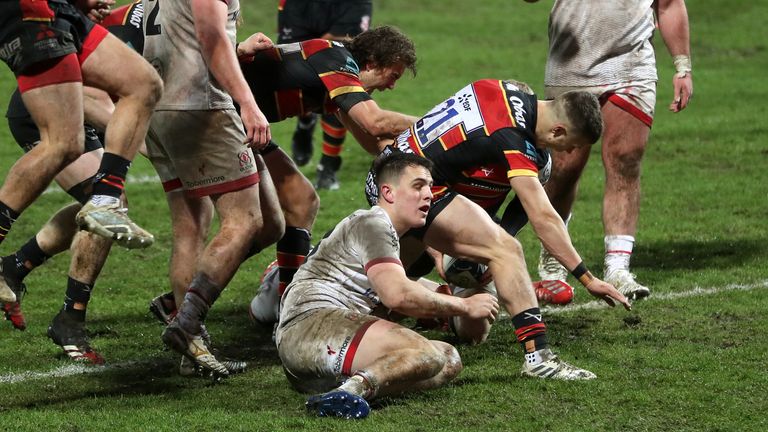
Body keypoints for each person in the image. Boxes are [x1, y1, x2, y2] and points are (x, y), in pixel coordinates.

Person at [153, 26, 418, 331]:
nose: (392, 86)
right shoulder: (337, 60)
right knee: (249, 221)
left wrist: (414, 161)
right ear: (371, 62)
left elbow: (374, 141)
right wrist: (435, 124)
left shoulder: (338, 67)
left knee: (291, 210)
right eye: (393, 75)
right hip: (215, 117)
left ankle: (202, 298)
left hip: (236, 121)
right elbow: (375, 122)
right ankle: (276, 311)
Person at [366, 79, 632, 363]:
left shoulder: (504, 93)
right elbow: (544, 218)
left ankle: (363, 323)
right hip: (412, 189)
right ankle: (538, 357)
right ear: (558, 130)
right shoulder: (514, 139)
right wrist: (587, 278)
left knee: (389, 298)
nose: (567, 152)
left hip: (394, 177)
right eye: (571, 145)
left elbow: (515, 211)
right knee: (506, 250)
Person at [276, 151, 499, 419]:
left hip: (315, 352)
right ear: (388, 193)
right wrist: (464, 305)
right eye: (418, 186)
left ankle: (343, 388)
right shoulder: (373, 223)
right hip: (310, 326)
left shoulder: (383, 231)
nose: (428, 194)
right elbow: (397, 295)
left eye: (430, 186)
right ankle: (350, 391)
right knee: (425, 353)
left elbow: (408, 290)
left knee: (448, 358)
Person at [0, 0, 162, 362]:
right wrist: (154, 148)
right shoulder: (138, 24)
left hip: (57, 11)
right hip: (34, 16)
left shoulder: (175, 24)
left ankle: (17, 269)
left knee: (144, 84)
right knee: (64, 144)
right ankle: (70, 317)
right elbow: (94, 100)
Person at [142, 0, 281, 378]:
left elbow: (182, 37)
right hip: (201, 108)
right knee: (247, 220)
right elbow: (209, 35)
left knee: (192, 228)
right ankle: (186, 323)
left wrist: (237, 50)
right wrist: (248, 103)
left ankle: (192, 348)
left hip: (159, 106)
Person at [527, 0, 693, 299]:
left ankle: (618, 268)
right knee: (564, 167)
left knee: (626, 159)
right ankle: (554, 259)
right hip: (572, 63)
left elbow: (669, 5)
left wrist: (682, 67)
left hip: (633, 64)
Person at [277, 0, 374, 190]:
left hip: (342, 17)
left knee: (340, 85)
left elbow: (337, 45)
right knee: (295, 73)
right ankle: (305, 122)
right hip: (302, 11)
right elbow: (293, 53)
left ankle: (328, 166)